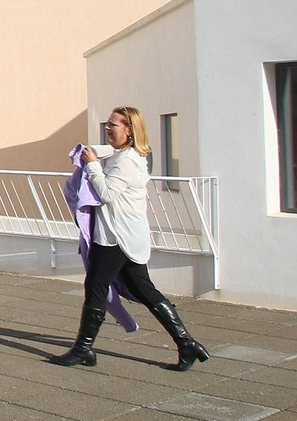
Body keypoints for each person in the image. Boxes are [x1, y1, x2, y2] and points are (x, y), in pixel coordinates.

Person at [50, 106, 210, 371]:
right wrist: (92, 154)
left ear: (130, 131)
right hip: (125, 237)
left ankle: (83, 349)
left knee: (96, 286)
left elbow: (106, 194)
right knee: (143, 289)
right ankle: (187, 344)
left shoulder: (127, 161)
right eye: (108, 124)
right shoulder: (122, 154)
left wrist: (90, 165)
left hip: (116, 238)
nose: (108, 129)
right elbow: (106, 151)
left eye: (114, 125)